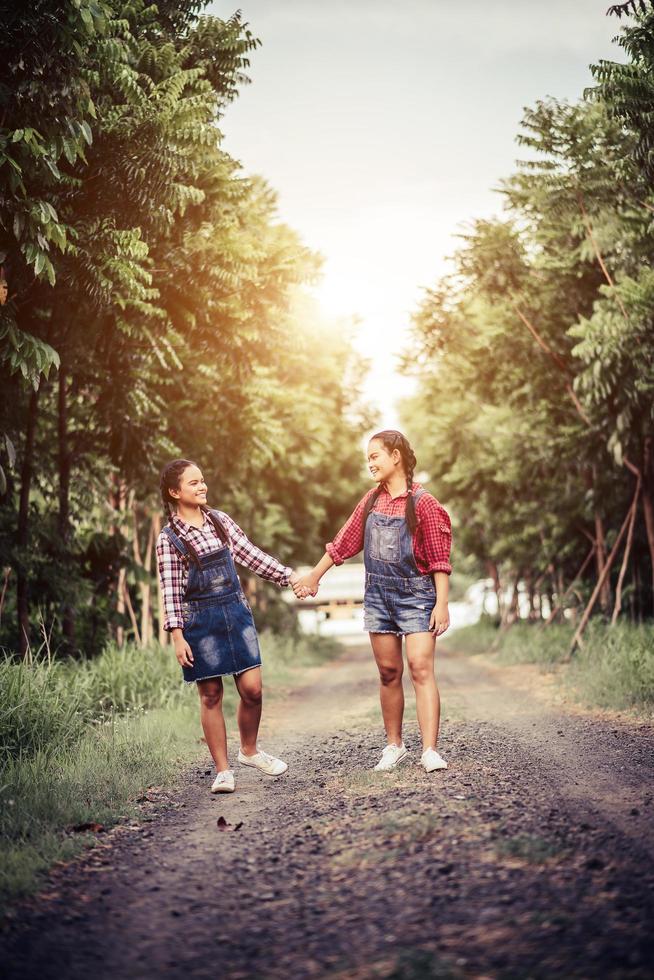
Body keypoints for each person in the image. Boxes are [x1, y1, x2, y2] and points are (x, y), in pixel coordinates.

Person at [296, 430, 452, 774]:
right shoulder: (370, 501)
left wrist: (441, 604)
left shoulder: (424, 503)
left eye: (375, 456)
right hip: (379, 597)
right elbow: (344, 543)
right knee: (388, 672)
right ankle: (394, 745)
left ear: (396, 456)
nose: (370, 463)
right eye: (368, 458)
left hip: (418, 596)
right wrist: (313, 577)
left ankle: (429, 750)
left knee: (421, 668)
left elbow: (440, 560)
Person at [156, 459, 309, 794]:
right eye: (193, 483)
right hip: (199, 620)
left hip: (235, 612)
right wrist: (177, 636)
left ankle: (250, 750)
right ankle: (223, 771)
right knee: (210, 694)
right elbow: (170, 591)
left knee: (252, 689)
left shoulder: (220, 522)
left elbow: (251, 555)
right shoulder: (169, 538)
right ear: (174, 491)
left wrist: (290, 576)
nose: (202, 486)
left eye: (202, 480)